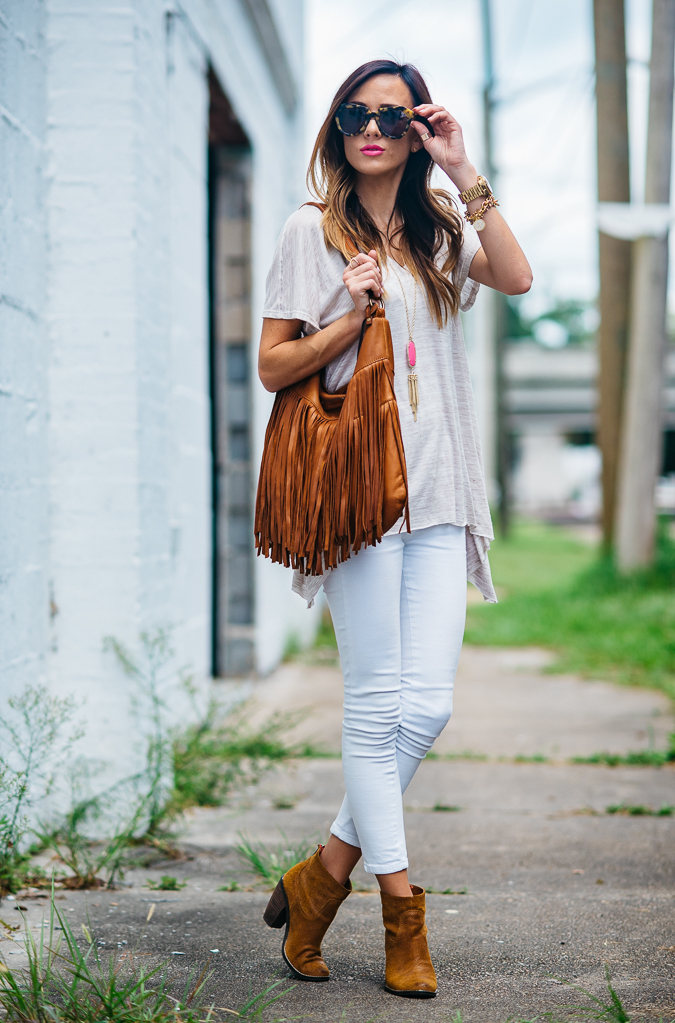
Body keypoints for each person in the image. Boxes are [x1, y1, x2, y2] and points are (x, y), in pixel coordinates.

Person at [258, 59, 532, 999]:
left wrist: (463, 169)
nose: (370, 127)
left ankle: (317, 877)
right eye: (354, 114)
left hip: (441, 491)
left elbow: (520, 277)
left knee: (428, 707)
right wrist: (349, 313)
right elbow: (272, 363)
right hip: (358, 494)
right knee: (377, 707)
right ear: (336, 128)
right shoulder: (311, 230)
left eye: (391, 115)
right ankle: (401, 915)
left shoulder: (442, 229)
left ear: (414, 129)